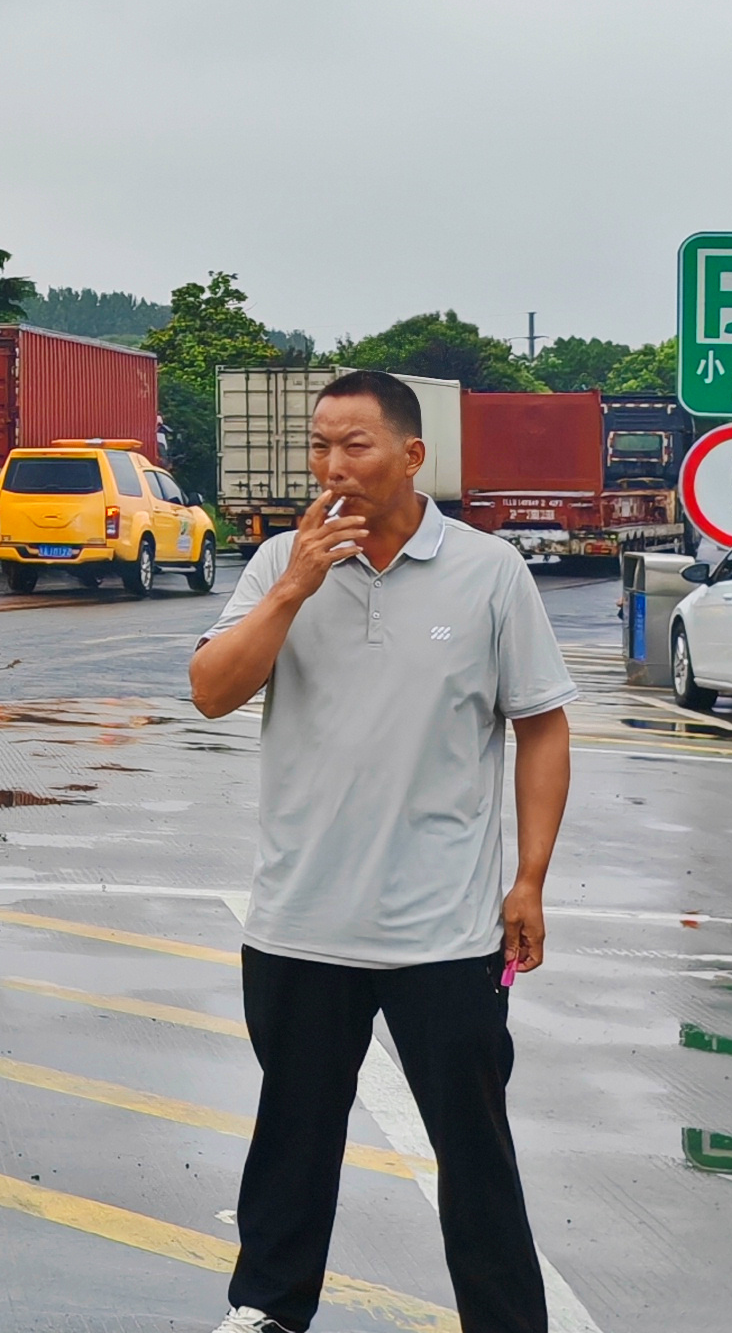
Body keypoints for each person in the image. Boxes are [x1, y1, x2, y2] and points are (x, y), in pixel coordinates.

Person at [187, 368, 573, 1333]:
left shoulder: (490, 573)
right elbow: (211, 690)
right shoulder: (282, 562)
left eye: (355, 446)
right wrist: (294, 589)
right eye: (319, 447)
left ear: (411, 456)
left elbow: (542, 727)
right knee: (294, 1134)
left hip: (443, 929)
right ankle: (267, 1309)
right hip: (301, 918)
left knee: (473, 1146)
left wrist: (528, 878)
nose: (333, 466)